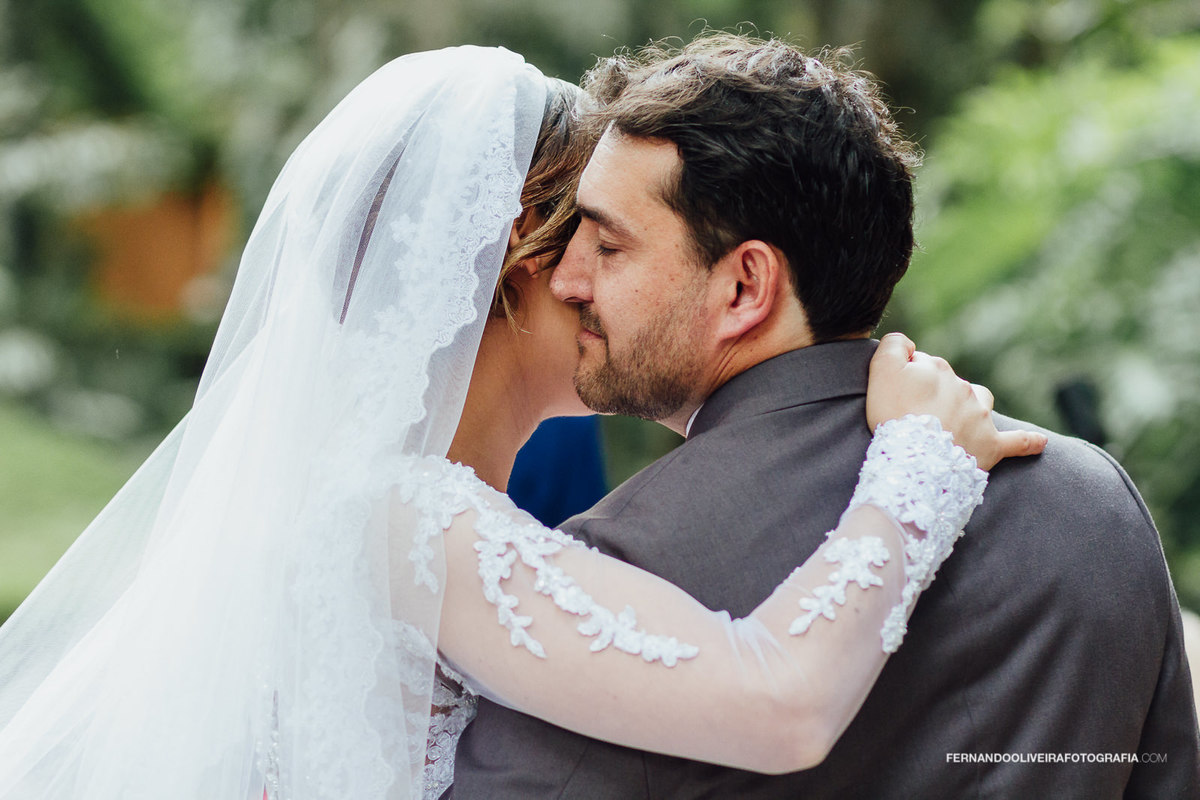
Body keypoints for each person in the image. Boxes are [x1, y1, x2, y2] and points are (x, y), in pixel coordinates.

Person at [0, 46, 1039, 800]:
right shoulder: (404, 517)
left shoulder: (381, 504)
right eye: (591, 235)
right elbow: (779, 703)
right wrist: (920, 462)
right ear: (511, 254)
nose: (596, 278)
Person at [448, 35, 1200, 798]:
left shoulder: (621, 575)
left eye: (608, 244)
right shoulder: (1092, 499)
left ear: (745, 286)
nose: (569, 278)